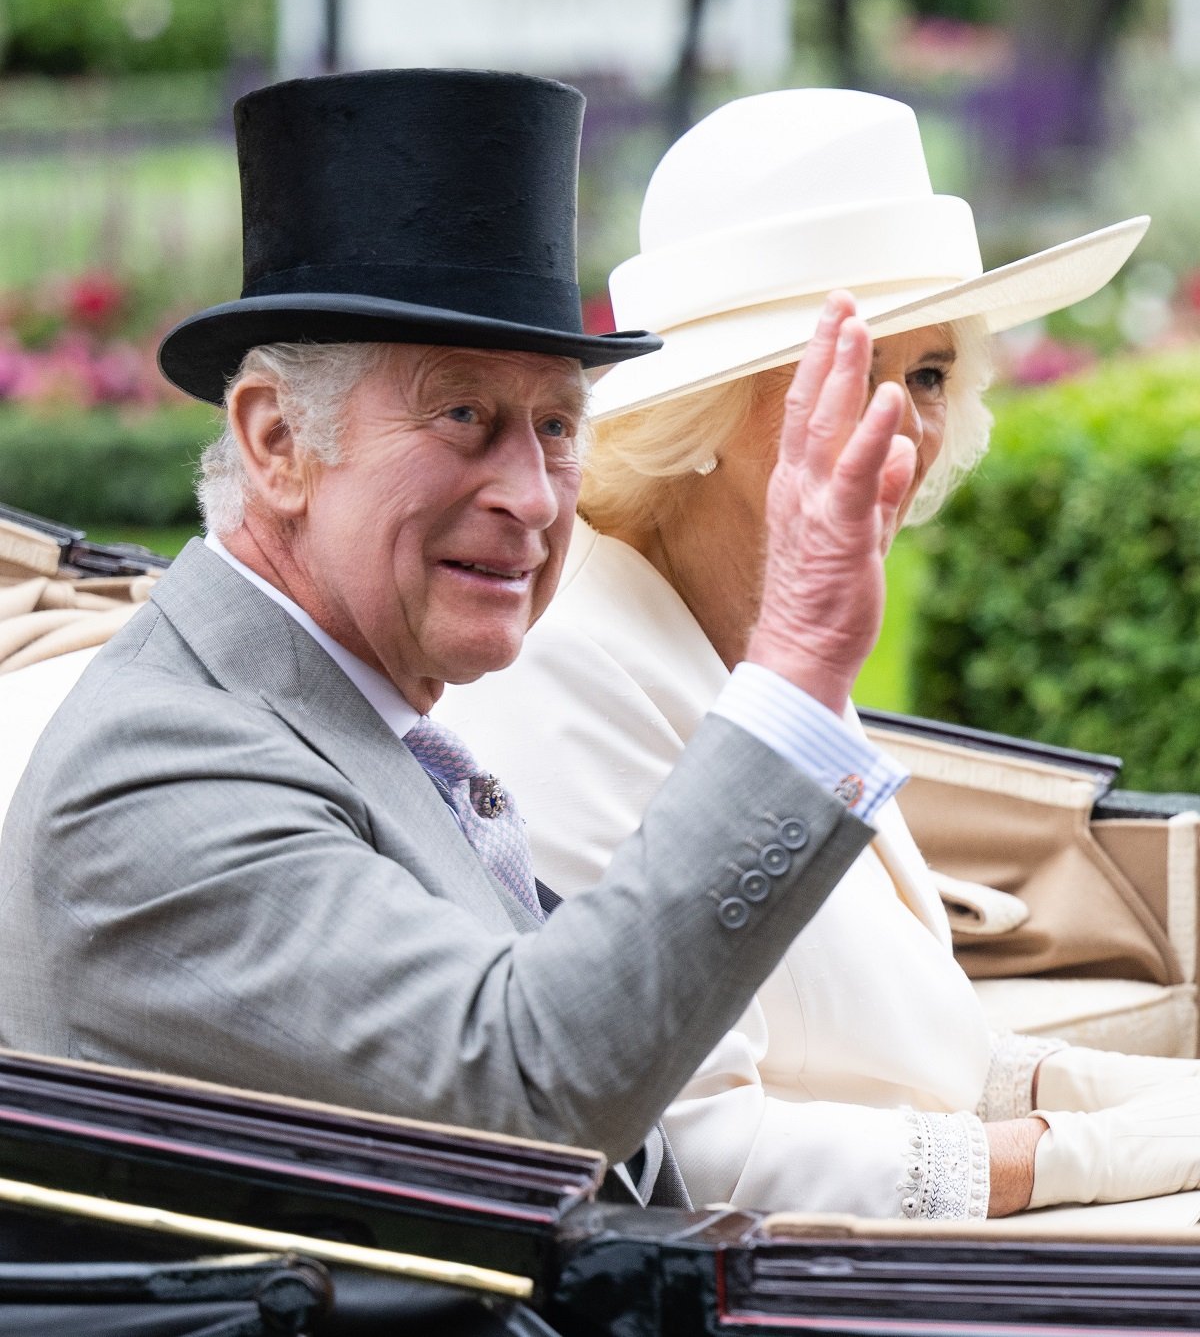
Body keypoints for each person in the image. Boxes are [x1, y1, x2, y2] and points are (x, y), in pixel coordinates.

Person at [0, 69, 916, 1207]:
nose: (533, 496)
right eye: (464, 417)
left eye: (557, 426)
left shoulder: (359, 719)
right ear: (278, 441)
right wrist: (793, 663)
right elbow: (532, 1086)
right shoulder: (154, 772)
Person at [440, 89, 1200, 1220]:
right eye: (852, 376)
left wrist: (1136, 1100)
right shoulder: (560, 665)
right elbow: (696, 1156)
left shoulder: (780, 614)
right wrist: (1090, 1154)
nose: (907, 425)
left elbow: (895, 1047)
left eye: (931, 373)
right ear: (703, 417)